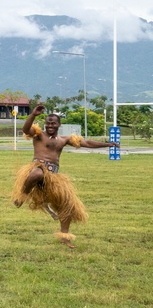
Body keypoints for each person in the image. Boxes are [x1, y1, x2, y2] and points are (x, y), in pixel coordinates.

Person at [13, 104, 119, 248]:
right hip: (37, 169)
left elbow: (87, 143)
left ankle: (64, 237)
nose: (50, 125)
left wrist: (107, 144)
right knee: (37, 172)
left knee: (67, 205)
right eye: (48, 123)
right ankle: (22, 196)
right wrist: (33, 115)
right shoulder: (38, 135)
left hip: (53, 176)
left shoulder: (64, 139)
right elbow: (26, 129)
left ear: (59, 125)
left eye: (53, 123)